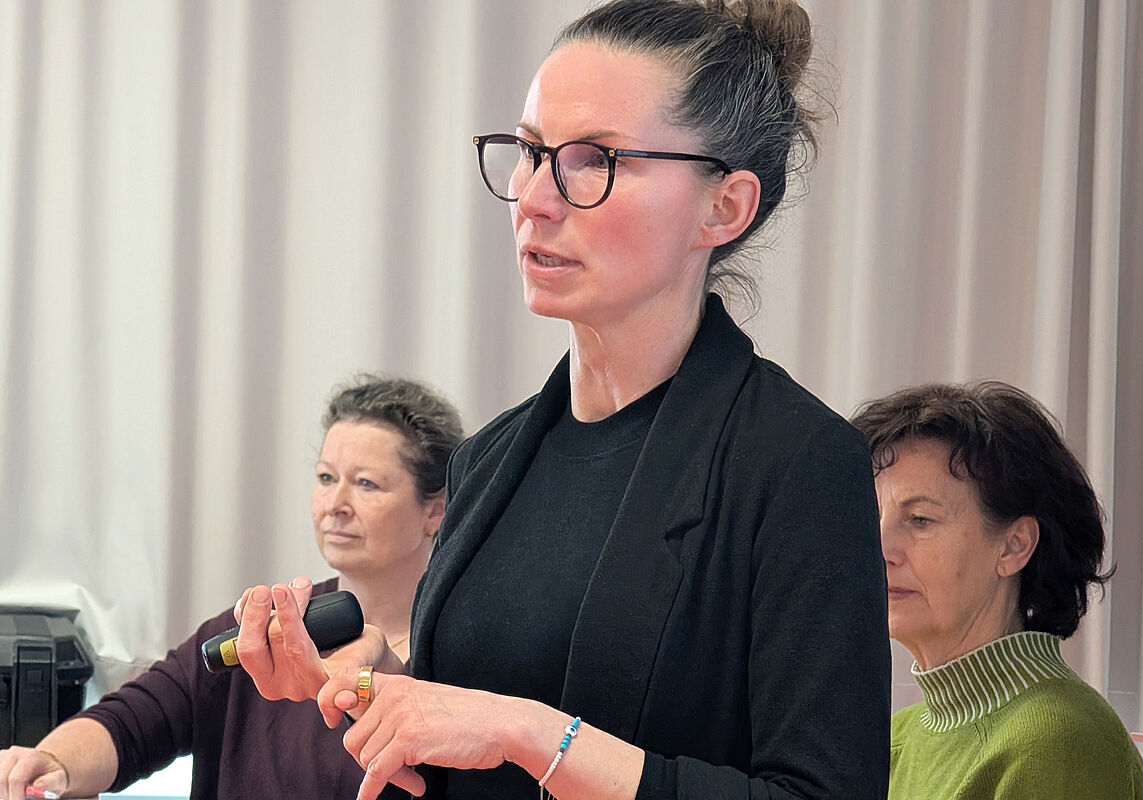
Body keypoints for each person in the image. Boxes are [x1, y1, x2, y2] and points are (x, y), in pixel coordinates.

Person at [234, 2, 890, 798]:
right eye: (530, 151)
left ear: (725, 207)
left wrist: (532, 732)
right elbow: (467, 751)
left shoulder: (795, 464)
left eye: (595, 160)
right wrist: (365, 689)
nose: (535, 199)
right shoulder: (490, 460)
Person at [0, 375, 464, 800]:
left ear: (435, 510)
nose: (335, 505)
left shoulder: (467, 654)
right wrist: (52, 763)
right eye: (326, 478)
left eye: (366, 484)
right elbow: (130, 723)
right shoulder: (255, 631)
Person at [849, 381, 1143, 799]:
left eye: (920, 520)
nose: (880, 549)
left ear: (1014, 546)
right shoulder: (897, 738)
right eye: (872, 516)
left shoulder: (1057, 741)